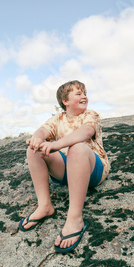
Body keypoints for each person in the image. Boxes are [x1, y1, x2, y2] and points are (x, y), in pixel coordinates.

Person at [19, 80, 110, 253]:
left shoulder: (91, 115)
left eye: (84, 93)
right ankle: (44, 206)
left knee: (78, 147)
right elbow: (42, 131)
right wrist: (37, 138)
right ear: (65, 101)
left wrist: (57, 144)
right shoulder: (57, 119)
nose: (84, 96)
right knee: (34, 150)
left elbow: (86, 132)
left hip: (92, 169)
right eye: (78, 94)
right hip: (68, 171)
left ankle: (75, 218)